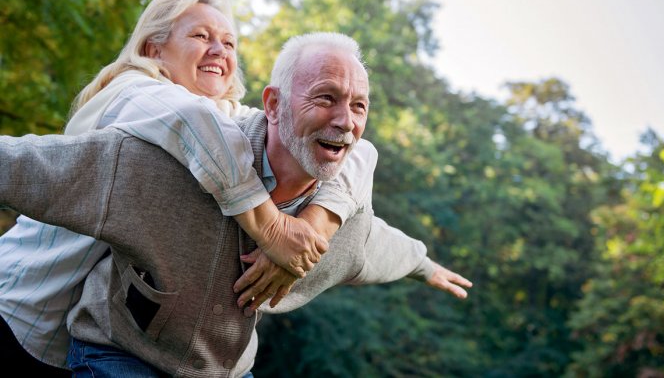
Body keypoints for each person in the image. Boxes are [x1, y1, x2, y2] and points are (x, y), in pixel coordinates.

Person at [0, 32, 473, 377]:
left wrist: (424, 264)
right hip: (120, 356)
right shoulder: (163, 166)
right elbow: (35, 166)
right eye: (326, 98)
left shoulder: (339, 220)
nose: (345, 121)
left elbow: (379, 246)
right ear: (273, 105)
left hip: (224, 372)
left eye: (359, 106)